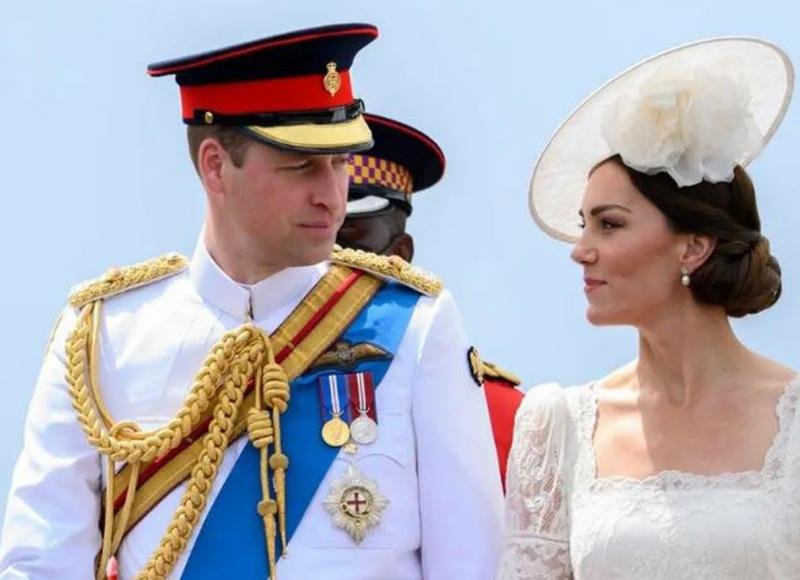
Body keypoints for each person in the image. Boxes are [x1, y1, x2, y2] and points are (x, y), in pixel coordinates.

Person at [0, 24, 503, 580]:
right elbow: (40, 562)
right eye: (302, 166)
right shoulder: (101, 335)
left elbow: (470, 563)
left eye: (340, 163)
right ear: (215, 165)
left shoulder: (414, 326)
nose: (332, 194)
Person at [498, 37, 799, 578]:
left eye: (608, 224)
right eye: (583, 222)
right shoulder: (557, 426)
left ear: (693, 245)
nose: (579, 249)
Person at [336, 112, 524, 488]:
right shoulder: (238, 387)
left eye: (349, 248)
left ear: (400, 256)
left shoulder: (489, 410)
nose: (326, 266)